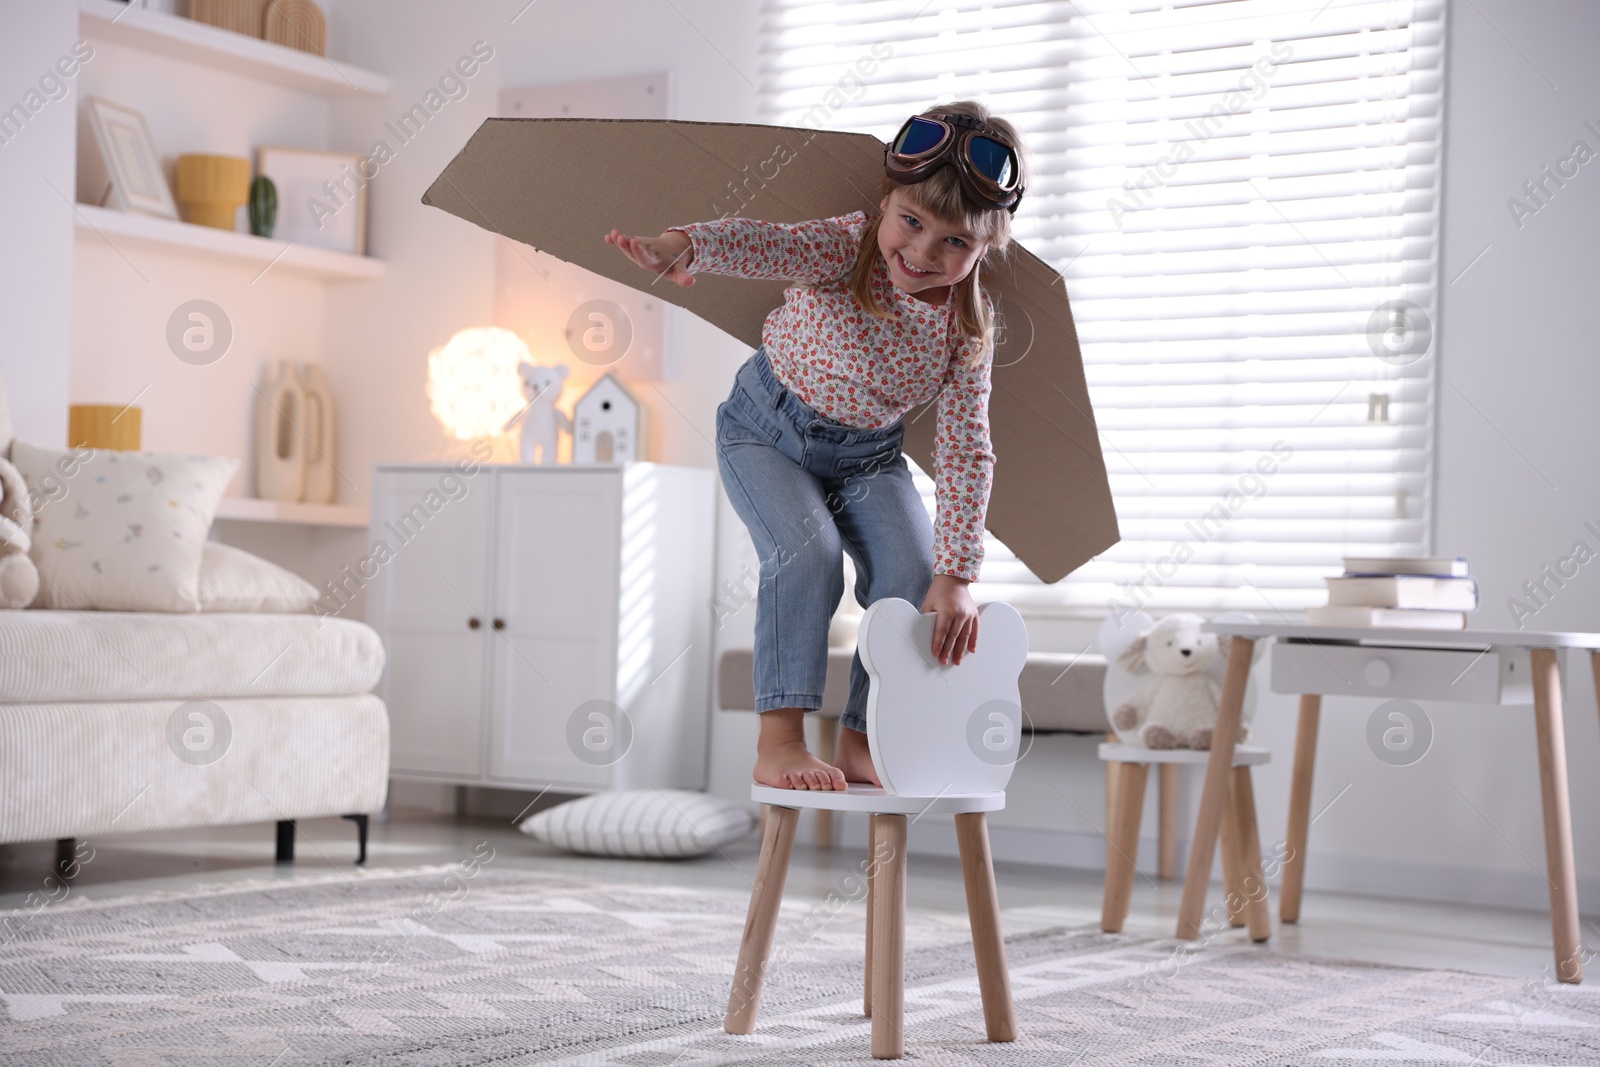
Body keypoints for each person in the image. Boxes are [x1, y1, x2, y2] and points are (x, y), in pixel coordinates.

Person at [605, 100, 1027, 791]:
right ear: (886, 202)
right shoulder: (848, 245)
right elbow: (765, 242)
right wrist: (685, 247)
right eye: (912, 222)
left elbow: (965, 449)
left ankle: (863, 738)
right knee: (810, 555)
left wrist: (958, 576)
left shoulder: (967, 328)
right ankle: (780, 741)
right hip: (766, 430)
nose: (921, 253)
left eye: (954, 242)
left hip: (868, 459)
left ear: (986, 249)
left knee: (914, 569)